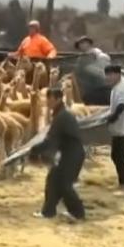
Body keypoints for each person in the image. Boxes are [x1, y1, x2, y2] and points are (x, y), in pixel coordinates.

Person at [31, 87, 86, 220]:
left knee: (64, 184)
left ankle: (78, 213)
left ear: (57, 99)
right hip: (68, 153)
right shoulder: (60, 114)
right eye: (46, 99)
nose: (47, 102)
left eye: (49, 99)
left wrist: (34, 150)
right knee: (53, 180)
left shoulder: (62, 116)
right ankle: (48, 212)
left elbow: (50, 140)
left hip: (73, 154)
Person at [105, 65, 124, 189]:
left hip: (122, 127)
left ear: (118, 74)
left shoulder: (123, 88)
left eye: (111, 74)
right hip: (117, 128)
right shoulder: (116, 87)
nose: (109, 77)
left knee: (119, 156)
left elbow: (122, 104)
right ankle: (123, 182)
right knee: (116, 155)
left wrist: (115, 115)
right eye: (107, 75)